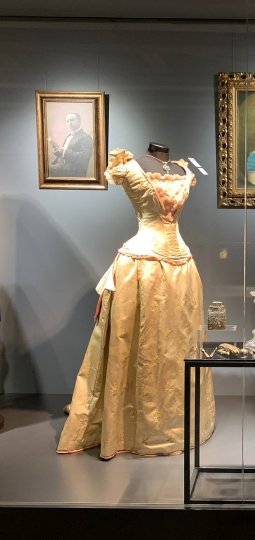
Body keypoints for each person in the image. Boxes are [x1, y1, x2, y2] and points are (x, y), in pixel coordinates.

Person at [57, 143, 215, 459]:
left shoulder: (185, 171)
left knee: (178, 344)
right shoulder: (128, 166)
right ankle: (127, 426)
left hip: (182, 267)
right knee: (138, 342)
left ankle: (175, 422)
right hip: (140, 266)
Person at [48, 112, 93, 177]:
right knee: (45, 168)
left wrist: (64, 151)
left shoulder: (86, 137)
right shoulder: (69, 136)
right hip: (62, 167)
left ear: (79, 121)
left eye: (72, 120)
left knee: (45, 170)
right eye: (67, 121)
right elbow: (64, 154)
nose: (69, 123)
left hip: (73, 172)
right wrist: (57, 151)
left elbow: (84, 158)